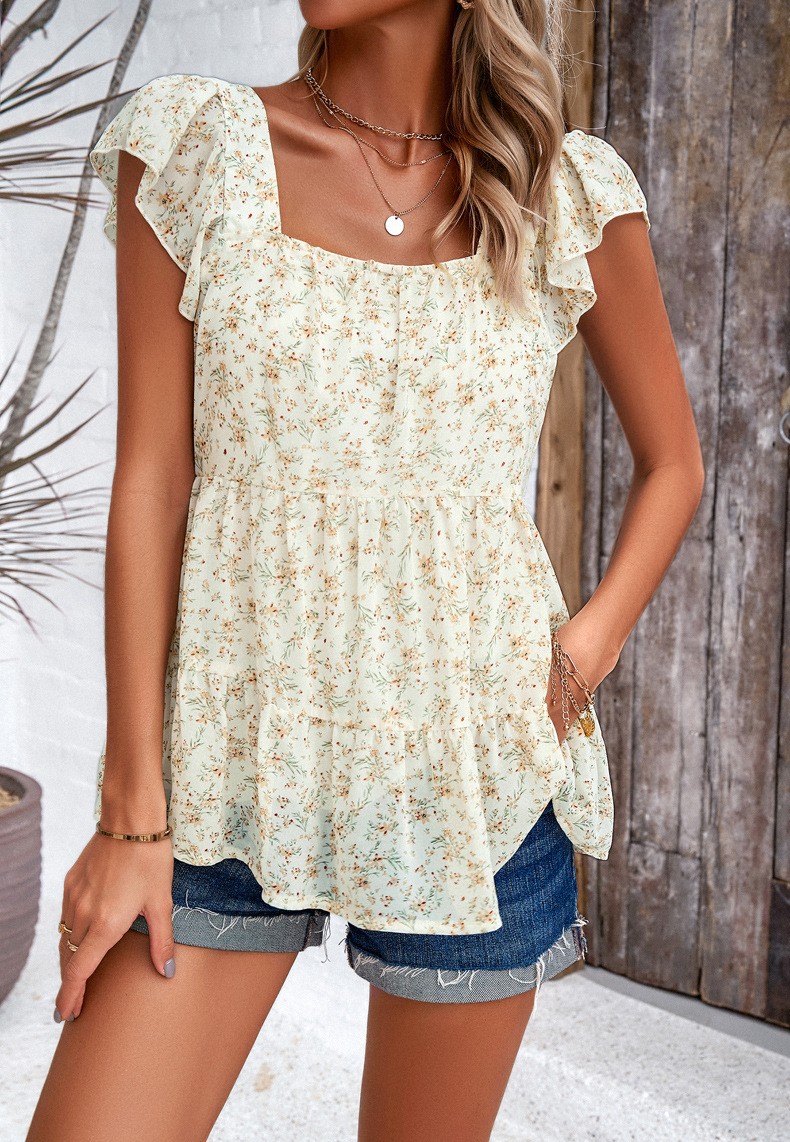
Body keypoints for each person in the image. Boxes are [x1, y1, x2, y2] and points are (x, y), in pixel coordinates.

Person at [27, 1, 704, 1139]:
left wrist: (582, 651)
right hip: (223, 780)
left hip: (472, 785)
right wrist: (130, 820)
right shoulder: (199, 146)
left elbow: (673, 463)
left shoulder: (561, 192)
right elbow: (151, 479)